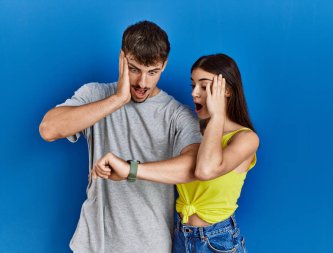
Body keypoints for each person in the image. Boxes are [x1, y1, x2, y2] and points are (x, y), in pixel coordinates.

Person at [39, 20, 201, 253]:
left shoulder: (177, 115)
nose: (142, 83)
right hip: (93, 244)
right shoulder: (95, 94)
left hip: (150, 245)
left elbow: (193, 167)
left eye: (152, 72)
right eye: (134, 69)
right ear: (122, 59)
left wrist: (130, 170)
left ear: (164, 65)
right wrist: (117, 100)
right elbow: (48, 129)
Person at [94, 53, 259, 252]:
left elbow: (206, 170)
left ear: (227, 91)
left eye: (204, 87)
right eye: (193, 85)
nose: (194, 93)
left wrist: (217, 116)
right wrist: (125, 171)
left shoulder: (245, 138)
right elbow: (175, 169)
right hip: (181, 236)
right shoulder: (193, 132)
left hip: (217, 240)